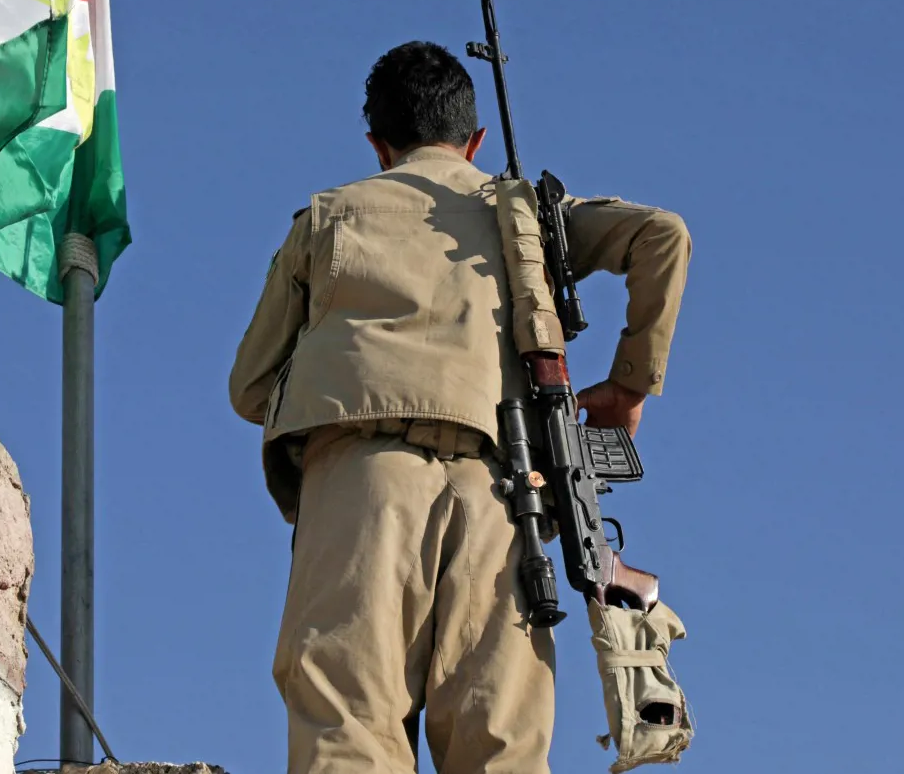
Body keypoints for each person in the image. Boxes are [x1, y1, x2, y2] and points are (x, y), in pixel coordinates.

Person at [227, 40, 692, 774]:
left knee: (348, 727)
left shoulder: (329, 216)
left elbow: (249, 388)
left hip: (363, 483)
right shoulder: (525, 219)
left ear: (378, 145)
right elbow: (662, 234)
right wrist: (628, 385)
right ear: (473, 141)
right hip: (506, 493)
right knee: (498, 744)